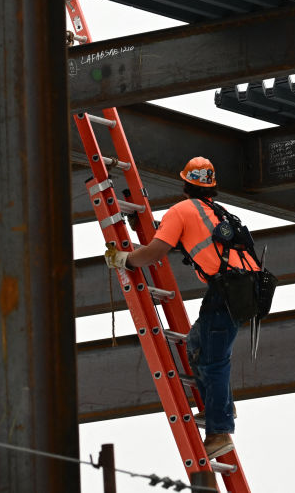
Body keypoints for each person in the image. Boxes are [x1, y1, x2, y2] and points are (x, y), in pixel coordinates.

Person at [104, 156, 245, 460]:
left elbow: (154, 253)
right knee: (196, 344)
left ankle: (219, 432)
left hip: (226, 291)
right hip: (238, 289)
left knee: (213, 361)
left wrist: (125, 259)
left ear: (184, 186)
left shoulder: (181, 211)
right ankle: (222, 405)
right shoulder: (215, 212)